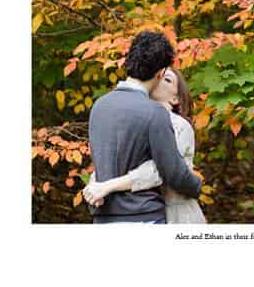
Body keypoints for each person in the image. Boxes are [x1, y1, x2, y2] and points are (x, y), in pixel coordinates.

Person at [86, 30, 201, 223]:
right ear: (159, 73)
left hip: (103, 215)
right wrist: (196, 185)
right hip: (142, 215)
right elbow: (172, 172)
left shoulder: (99, 106)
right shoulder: (154, 112)